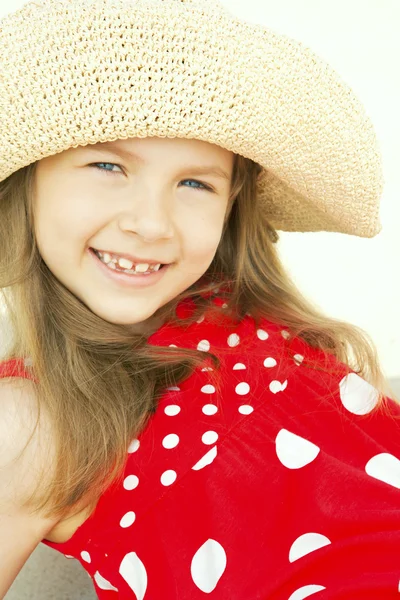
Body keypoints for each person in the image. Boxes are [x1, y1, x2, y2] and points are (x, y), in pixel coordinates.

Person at [0, 0, 399, 598]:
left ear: (231, 204)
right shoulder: (30, 420)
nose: (152, 223)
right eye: (109, 165)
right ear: (28, 183)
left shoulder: (239, 321)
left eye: (194, 183)